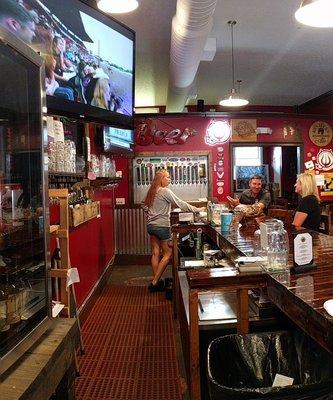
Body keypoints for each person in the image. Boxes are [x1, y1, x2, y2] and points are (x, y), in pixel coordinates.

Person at [144, 169, 204, 292]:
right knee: (168, 254)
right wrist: (197, 209)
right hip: (162, 226)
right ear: (161, 179)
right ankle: (155, 283)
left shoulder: (151, 191)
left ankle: (157, 281)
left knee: (156, 252)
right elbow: (180, 203)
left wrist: (152, 214)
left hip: (150, 226)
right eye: (167, 177)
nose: (170, 179)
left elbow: (144, 206)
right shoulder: (165, 191)